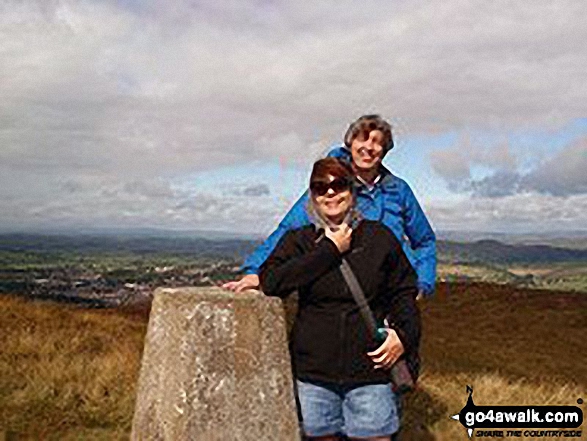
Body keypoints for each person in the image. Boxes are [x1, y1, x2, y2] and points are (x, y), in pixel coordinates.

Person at [259, 157, 421, 440]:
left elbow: (403, 293)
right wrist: (330, 250)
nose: (330, 192)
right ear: (313, 196)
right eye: (320, 187)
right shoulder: (299, 241)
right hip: (314, 376)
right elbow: (272, 282)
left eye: (338, 185)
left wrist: (404, 337)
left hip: (372, 372)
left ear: (352, 190)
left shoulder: (379, 237)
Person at [223, 114, 436, 298]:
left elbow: (424, 239)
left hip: (392, 290)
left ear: (385, 150)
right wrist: (255, 270)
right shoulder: (330, 188)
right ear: (350, 143)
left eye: (377, 142)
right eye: (362, 139)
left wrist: (422, 283)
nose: (368, 147)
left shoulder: (398, 189)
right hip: (346, 290)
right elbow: (289, 228)